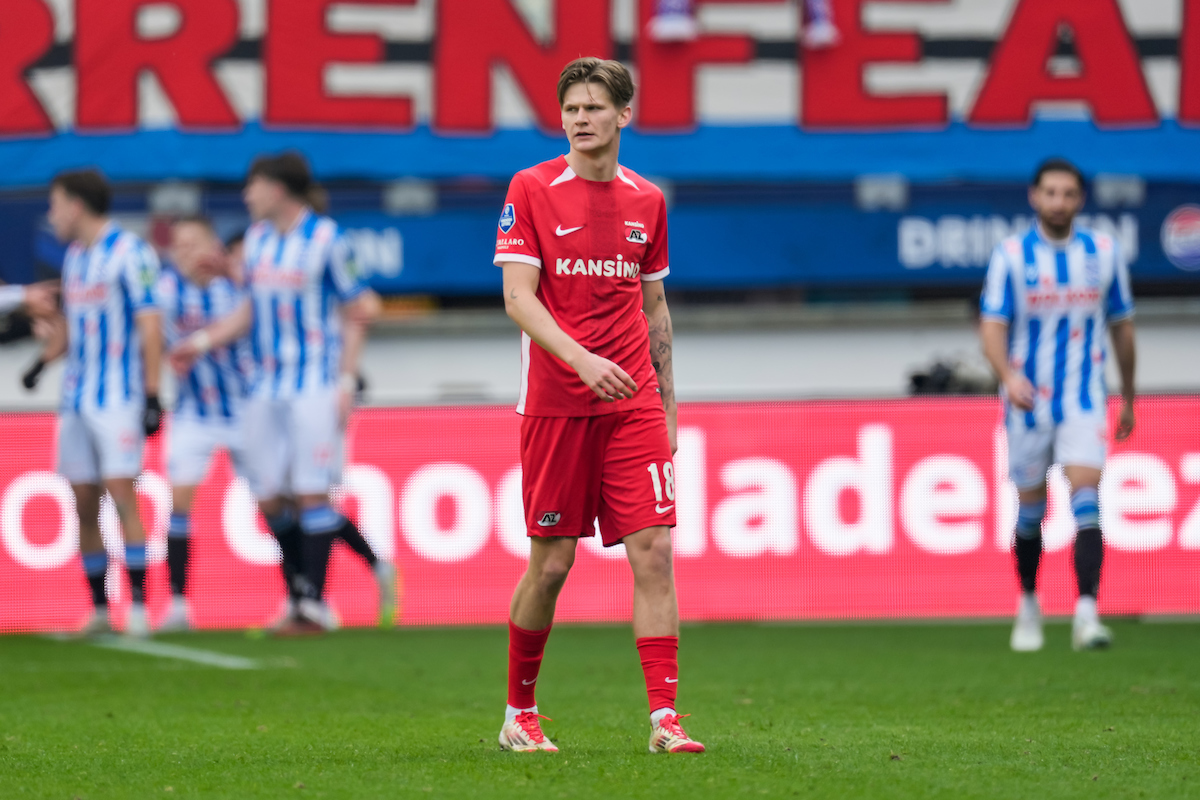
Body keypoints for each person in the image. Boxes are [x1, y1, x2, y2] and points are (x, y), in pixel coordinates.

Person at [493, 57, 702, 754]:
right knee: (552, 564)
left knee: (656, 551)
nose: (580, 119)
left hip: (634, 405)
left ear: (623, 115)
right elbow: (518, 297)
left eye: (593, 107)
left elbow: (655, 307)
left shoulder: (649, 201)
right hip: (556, 401)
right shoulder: (530, 189)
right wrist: (580, 358)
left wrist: (668, 405)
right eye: (571, 108)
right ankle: (518, 712)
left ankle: (665, 720)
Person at [169, 153, 391, 632]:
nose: (246, 196)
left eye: (253, 186)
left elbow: (361, 307)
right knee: (269, 497)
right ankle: (305, 595)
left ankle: (313, 604)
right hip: (262, 386)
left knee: (312, 491)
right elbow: (251, 310)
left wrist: (347, 380)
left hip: (313, 381)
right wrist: (201, 341)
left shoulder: (328, 239)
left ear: (277, 189)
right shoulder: (257, 242)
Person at [979, 158, 1137, 653]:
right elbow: (991, 326)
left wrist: (1129, 394)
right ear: (1034, 197)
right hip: (1028, 400)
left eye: (1068, 194)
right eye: (1051, 192)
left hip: (1084, 396)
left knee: (1086, 497)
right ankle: (1028, 602)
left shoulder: (1104, 253)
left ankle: (1087, 614)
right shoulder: (1010, 255)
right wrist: (1007, 376)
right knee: (1031, 510)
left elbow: (1122, 326)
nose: (1059, 202)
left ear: (1080, 200)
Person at [44, 169, 164, 637]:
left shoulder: (131, 253)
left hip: (118, 395)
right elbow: (75, 329)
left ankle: (136, 606)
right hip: (75, 397)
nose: (52, 216)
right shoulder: (75, 258)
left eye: (55, 205)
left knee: (121, 493)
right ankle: (97, 607)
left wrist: (153, 394)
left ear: (76, 205)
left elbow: (150, 324)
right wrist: (43, 359)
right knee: (81, 499)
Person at [156, 216, 254, 632]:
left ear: (214, 245)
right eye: (178, 246)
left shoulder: (238, 287)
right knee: (178, 504)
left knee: (274, 502)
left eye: (195, 243)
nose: (187, 253)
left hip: (247, 408)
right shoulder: (161, 293)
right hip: (193, 411)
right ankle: (178, 603)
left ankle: (301, 594)